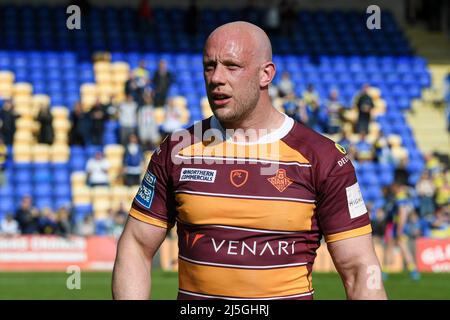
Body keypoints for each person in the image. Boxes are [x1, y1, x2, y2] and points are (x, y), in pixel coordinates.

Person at [112, 21, 387, 300]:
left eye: (232, 66)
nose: (216, 77)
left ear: (265, 74)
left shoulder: (324, 158)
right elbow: (135, 244)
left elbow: (360, 270)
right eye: (209, 66)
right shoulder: (176, 150)